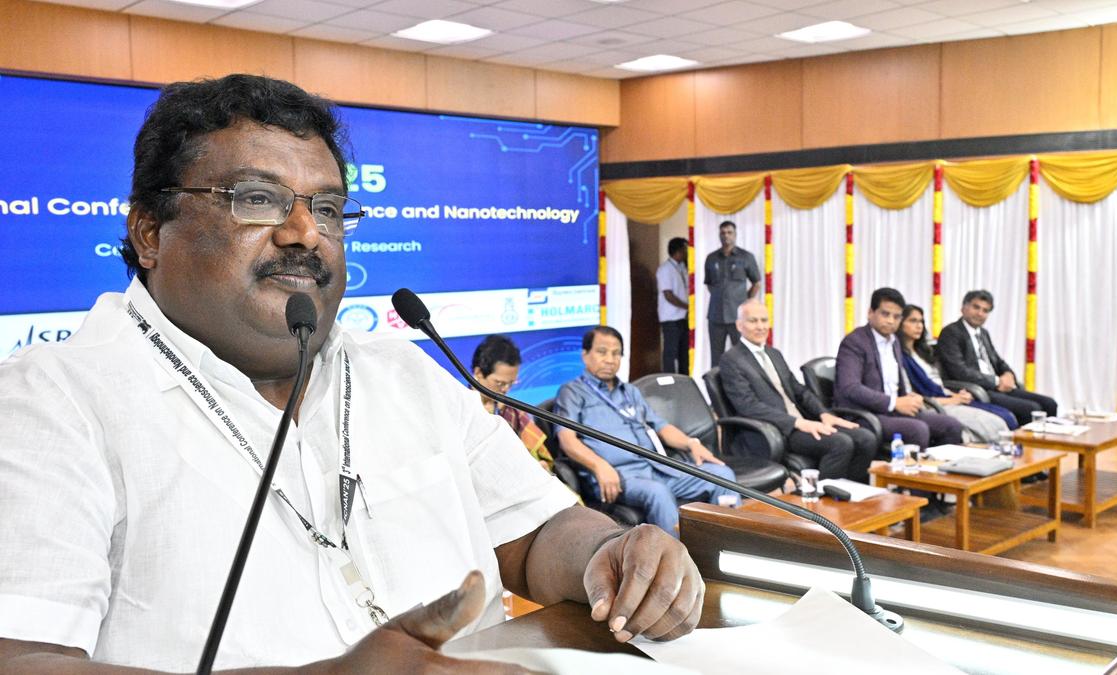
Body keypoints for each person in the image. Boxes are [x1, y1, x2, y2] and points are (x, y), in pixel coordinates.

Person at [0, 74, 703, 673]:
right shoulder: (51, 403)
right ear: (150, 231)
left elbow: (538, 532)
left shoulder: (403, 373)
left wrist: (610, 554)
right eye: (257, 199)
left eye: (328, 208)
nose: (305, 232)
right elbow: (25, 657)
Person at [555, 326, 740, 537]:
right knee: (658, 493)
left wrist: (691, 443)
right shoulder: (572, 392)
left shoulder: (630, 392)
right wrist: (599, 465)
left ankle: (727, 544)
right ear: (585, 355)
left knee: (722, 475)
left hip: (655, 467)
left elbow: (661, 427)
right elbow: (567, 439)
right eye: (602, 352)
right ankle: (679, 556)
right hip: (618, 475)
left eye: (616, 353)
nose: (610, 360)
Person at [718, 300, 876, 482]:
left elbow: (799, 390)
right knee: (841, 444)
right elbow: (748, 406)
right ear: (739, 325)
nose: (760, 326)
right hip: (778, 429)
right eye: (753, 321)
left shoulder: (774, 354)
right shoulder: (731, 359)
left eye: (764, 320)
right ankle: (823, 497)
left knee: (866, 438)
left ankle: (851, 492)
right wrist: (796, 423)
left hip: (802, 421)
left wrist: (824, 414)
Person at [835, 288, 964, 449]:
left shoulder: (895, 341)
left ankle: (936, 465)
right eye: (885, 314)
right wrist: (894, 402)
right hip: (865, 414)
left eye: (896, 317)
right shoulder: (855, 342)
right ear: (870, 313)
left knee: (952, 426)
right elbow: (850, 387)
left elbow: (895, 384)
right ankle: (910, 466)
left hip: (892, 410)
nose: (891, 321)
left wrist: (909, 398)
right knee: (918, 430)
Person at [936, 290, 1058, 425]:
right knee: (1032, 409)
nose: (980, 313)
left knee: (1049, 404)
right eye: (976, 307)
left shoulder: (983, 333)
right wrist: (996, 381)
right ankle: (1023, 439)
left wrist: (1008, 374)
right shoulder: (951, 332)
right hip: (977, 389)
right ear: (964, 307)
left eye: (985, 310)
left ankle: (1050, 438)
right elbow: (959, 371)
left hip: (996, 387)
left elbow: (998, 361)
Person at [899, 305, 1017, 443]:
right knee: (995, 426)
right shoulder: (900, 356)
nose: (919, 326)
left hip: (946, 397)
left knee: (1006, 417)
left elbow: (937, 384)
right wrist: (951, 400)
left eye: (921, 321)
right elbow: (913, 396)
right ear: (900, 323)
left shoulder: (923, 352)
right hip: (934, 405)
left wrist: (956, 395)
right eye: (913, 321)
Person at [471, 334, 555, 472]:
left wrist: (541, 465)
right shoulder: (462, 409)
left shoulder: (512, 411)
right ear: (478, 372)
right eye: (500, 383)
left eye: (511, 383)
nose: (505, 389)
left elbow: (540, 456)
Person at [703, 220, 760, 367]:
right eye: (723, 233)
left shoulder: (746, 257)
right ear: (719, 235)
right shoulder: (711, 258)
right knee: (716, 357)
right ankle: (716, 382)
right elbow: (709, 284)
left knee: (742, 356)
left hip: (738, 317)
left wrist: (744, 301)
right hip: (716, 316)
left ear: (735, 235)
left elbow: (756, 283)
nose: (726, 236)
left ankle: (742, 381)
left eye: (729, 232)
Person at [656, 237, 690, 374]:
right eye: (686, 249)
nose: (688, 252)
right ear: (679, 251)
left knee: (684, 352)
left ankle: (684, 379)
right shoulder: (665, 269)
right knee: (671, 352)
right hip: (670, 318)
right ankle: (668, 380)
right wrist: (687, 307)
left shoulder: (682, 267)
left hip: (683, 317)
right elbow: (668, 295)